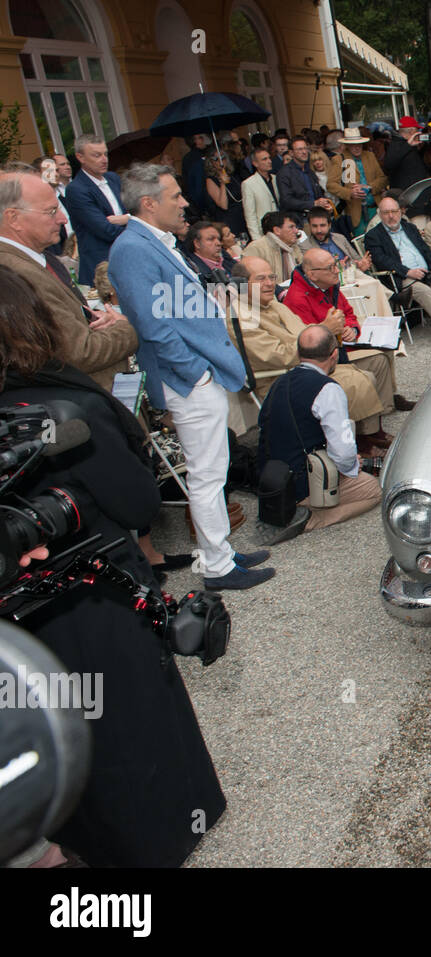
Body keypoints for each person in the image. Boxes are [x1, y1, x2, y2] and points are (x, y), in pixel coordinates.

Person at [0, 270, 227, 867]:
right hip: (97, 592)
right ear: (34, 324)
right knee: (131, 722)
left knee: (54, 723)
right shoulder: (66, 406)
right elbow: (138, 504)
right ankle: (162, 839)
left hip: (20, 617)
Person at [108, 162, 275, 590]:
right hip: (187, 378)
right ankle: (218, 567)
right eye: (174, 196)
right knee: (204, 474)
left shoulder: (153, 241)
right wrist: (195, 373)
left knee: (213, 469)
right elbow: (152, 325)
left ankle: (221, 551)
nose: (184, 203)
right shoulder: (132, 248)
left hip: (198, 371)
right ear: (148, 203)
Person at [228, 256, 391, 453]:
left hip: (307, 367)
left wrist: (334, 329)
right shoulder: (240, 317)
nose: (270, 283)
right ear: (241, 285)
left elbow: (304, 332)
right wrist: (325, 329)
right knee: (359, 379)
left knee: (371, 367)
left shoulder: (273, 304)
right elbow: (279, 356)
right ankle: (356, 445)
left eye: (272, 277)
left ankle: (363, 438)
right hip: (281, 380)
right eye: (261, 279)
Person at [0, 167, 136, 390]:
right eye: (51, 211)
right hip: (87, 403)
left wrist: (97, 318)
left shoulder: (38, 259)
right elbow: (79, 352)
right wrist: (125, 327)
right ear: (13, 218)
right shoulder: (18, 272)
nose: (64, 219)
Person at [257, 325, 383, 534]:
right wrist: (351, 465)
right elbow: (342, 452)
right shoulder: (327, 389)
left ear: (298, 354)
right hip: (302, 484)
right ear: (334, 355)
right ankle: (309, 519)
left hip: (271, 479)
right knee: (372, 489)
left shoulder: (279, 381)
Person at [364, 194, 431, 339]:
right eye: (386, 212)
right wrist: (408, 272)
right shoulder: (373, 235)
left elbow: (426, 250)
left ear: (400, 212)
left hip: (427, 272)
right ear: (379, 215)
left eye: (394, 211)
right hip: (402, 278)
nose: (391, 216)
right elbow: (381, 260)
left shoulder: (410, 227)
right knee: (423, 291)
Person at [65, 133, 128, 282]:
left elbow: (132, 210)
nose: (104, 160)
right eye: (97, 155)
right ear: (80, 157)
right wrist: (135, 225)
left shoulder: (113, 178)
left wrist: (127, 218)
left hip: (125, 255)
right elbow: (105, 230)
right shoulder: (76, 189)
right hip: (102, 264)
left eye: (105, 154)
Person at [326, 127, 387, 240]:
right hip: (356, 210)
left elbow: (383, 179)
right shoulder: (339, 159)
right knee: (363, 242)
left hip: (375, 207)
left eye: (359, 144)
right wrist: (350, 192)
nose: (357, 147)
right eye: (353, 144)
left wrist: (370, 187)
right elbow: (331, 185)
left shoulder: (370, 156)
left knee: (383, 239)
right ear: (346, 145)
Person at [277, 137, 333, 216]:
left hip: (316, 216)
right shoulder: (284, 173)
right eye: (299, 149)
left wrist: (325, 204)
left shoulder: (309, 170)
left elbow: (318, 193)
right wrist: (313, 203)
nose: (304, 152)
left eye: (305, 148)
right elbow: (286, 200)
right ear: (291, 153)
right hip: (298, 219)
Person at [245, 210, 305, 284]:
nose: (296, 231)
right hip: (268, 293)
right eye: (291, 227)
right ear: (277, 230)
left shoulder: (295, 247)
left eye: (296, 227)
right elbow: (245, 282)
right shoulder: (256, 248)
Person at [302, 207, 371, 270]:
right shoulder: (305, 247)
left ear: (329, 225)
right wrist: (337, 268)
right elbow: (313, 272)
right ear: (309, 226)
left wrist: (361, 264)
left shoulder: (340, 238)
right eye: (314, 226)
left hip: (352, 277)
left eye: (322, 225)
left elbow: (356, 259)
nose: (319, 230)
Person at [384, 116, 431, 192]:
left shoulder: (407, 144)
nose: (419, 132)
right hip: (405, 193)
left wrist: (421, 147)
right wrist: (408, 145)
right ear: (411, 132)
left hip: (415, 190)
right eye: (417, 130)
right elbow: (389, 164)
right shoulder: (396, 144)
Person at [240, 147, 280, 240]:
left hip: (280, 228)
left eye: (269, 158)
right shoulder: (248, 183)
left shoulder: (276, 178)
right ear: (255, 163)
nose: (269, 161)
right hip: (263, 231)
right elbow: (250, 214)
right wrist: (256, 238)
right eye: (264, 159)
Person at [183, 218, 237, 285]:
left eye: (218, 239)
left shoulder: (226, 259)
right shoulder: (196, 272)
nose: (218, 243)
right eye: (211, 239)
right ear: (197, 244)